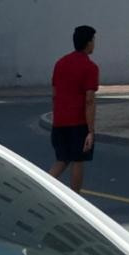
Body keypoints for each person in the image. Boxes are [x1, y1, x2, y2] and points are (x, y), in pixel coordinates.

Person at [48, 25, 98, 193]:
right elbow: (89, 100)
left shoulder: (60, 63)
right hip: (78, 122)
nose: (94, 44)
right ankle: (76, 198)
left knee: (62, 160)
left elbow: (54, 92)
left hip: (59, 121)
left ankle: (43, 188)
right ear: (88, 43)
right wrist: (90, 130)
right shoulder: (90, 68)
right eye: (93, 40)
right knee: (78, 160)